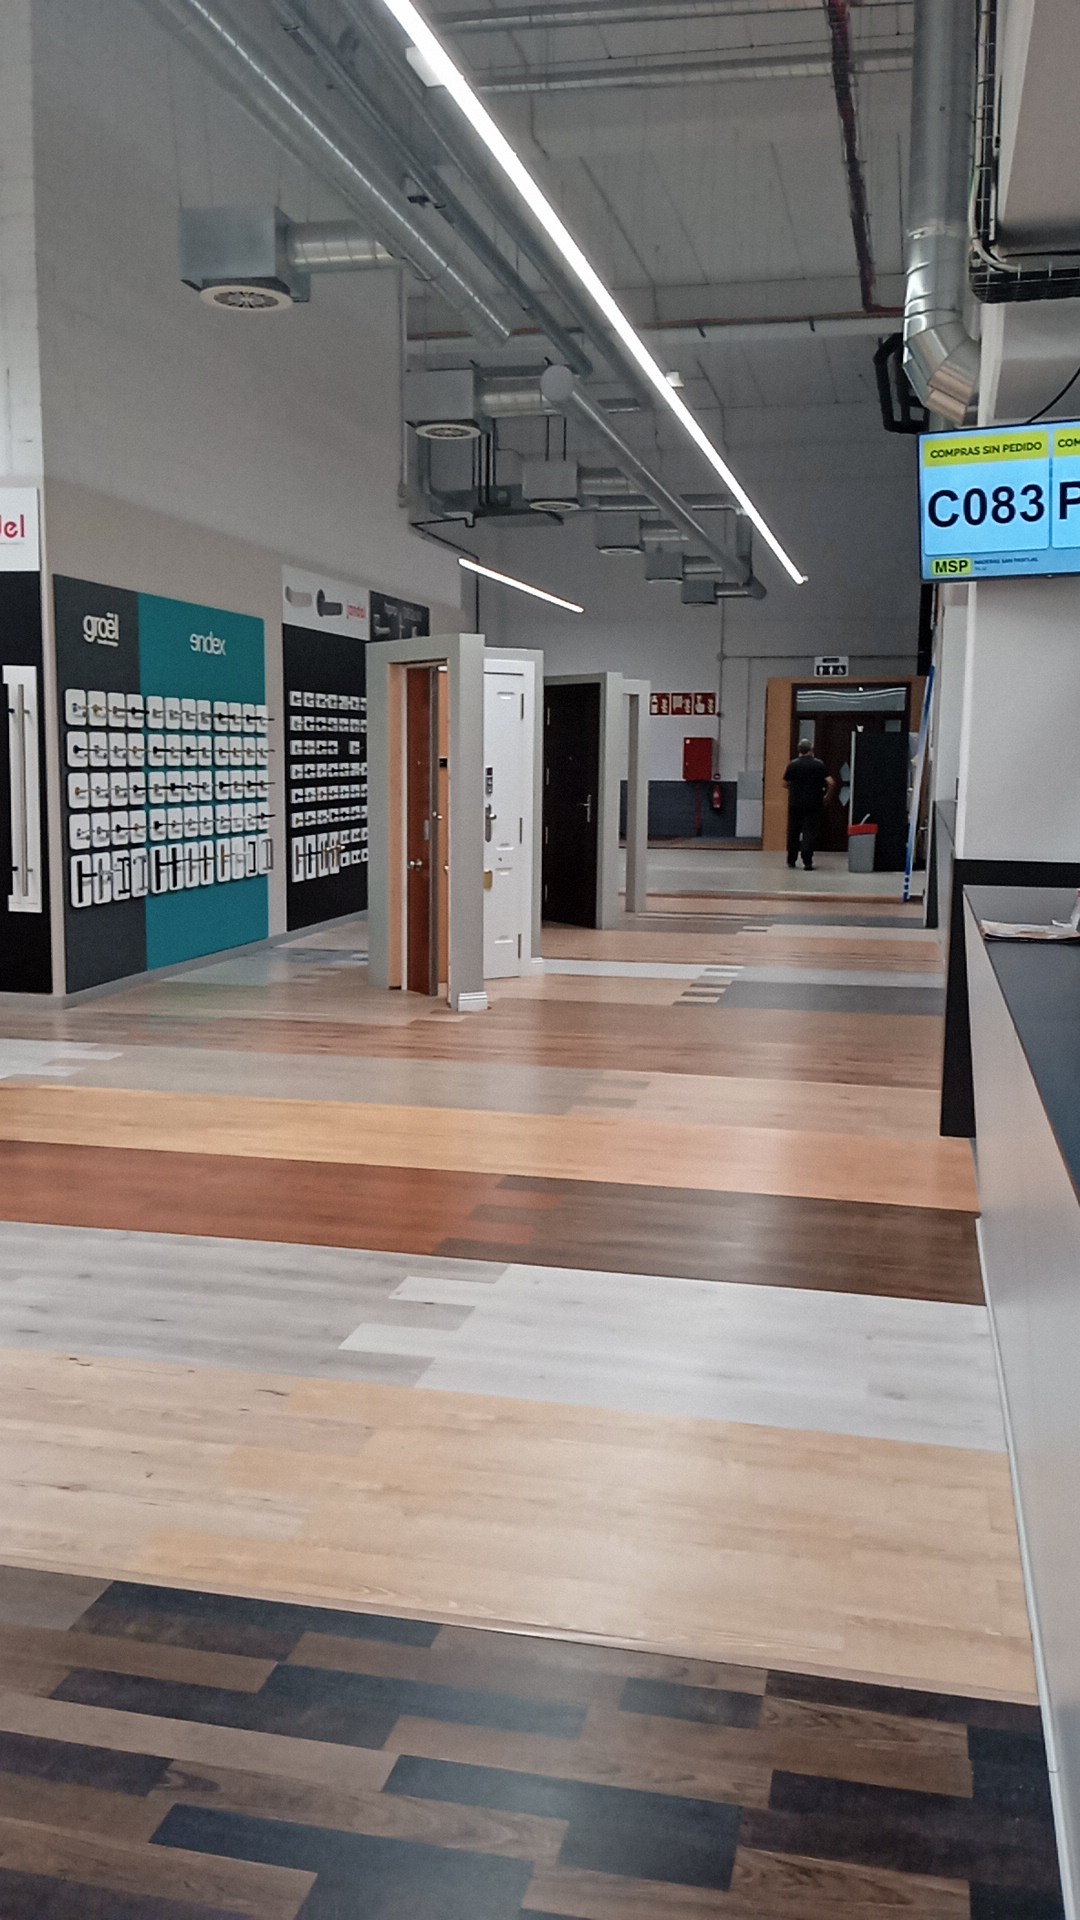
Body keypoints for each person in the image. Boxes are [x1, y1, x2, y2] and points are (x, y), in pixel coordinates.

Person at [783, 739, 836, 871]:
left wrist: (795, 790)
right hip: (813, 803)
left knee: (794, 831)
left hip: (795, 803)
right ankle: (807, 861)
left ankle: (791, 860)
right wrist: (827, 796)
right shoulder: (818, 764)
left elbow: (785, 783)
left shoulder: (793, 764)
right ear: (811, 750)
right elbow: (831, 782)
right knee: (809, 831)